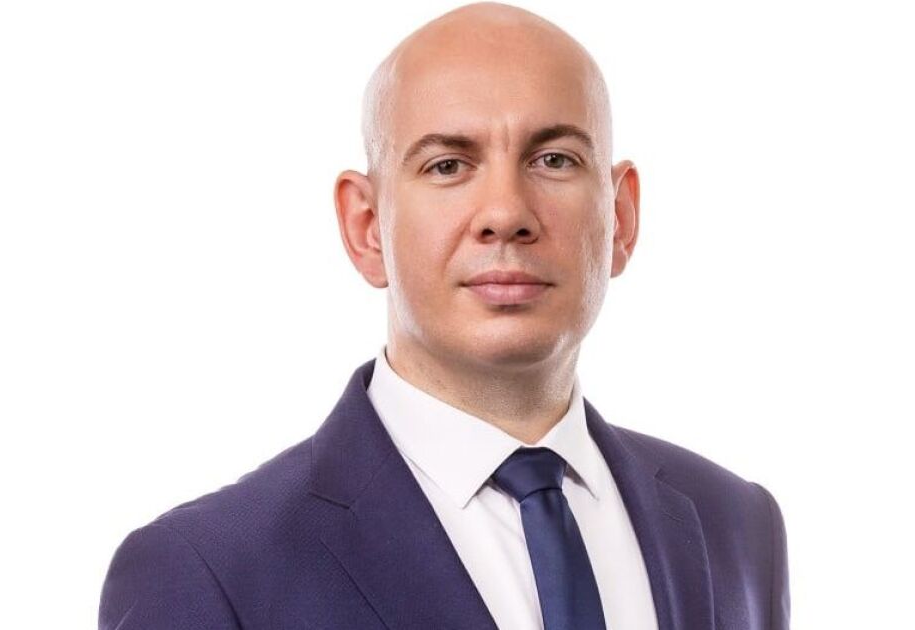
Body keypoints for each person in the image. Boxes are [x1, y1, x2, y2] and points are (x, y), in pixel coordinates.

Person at [98, 3, 789, 629]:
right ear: (367, 228)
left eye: (553, 159)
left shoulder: (735, 525)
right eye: (448, 166)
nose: (506, 214)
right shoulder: (207, 573)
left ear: (621, 217)